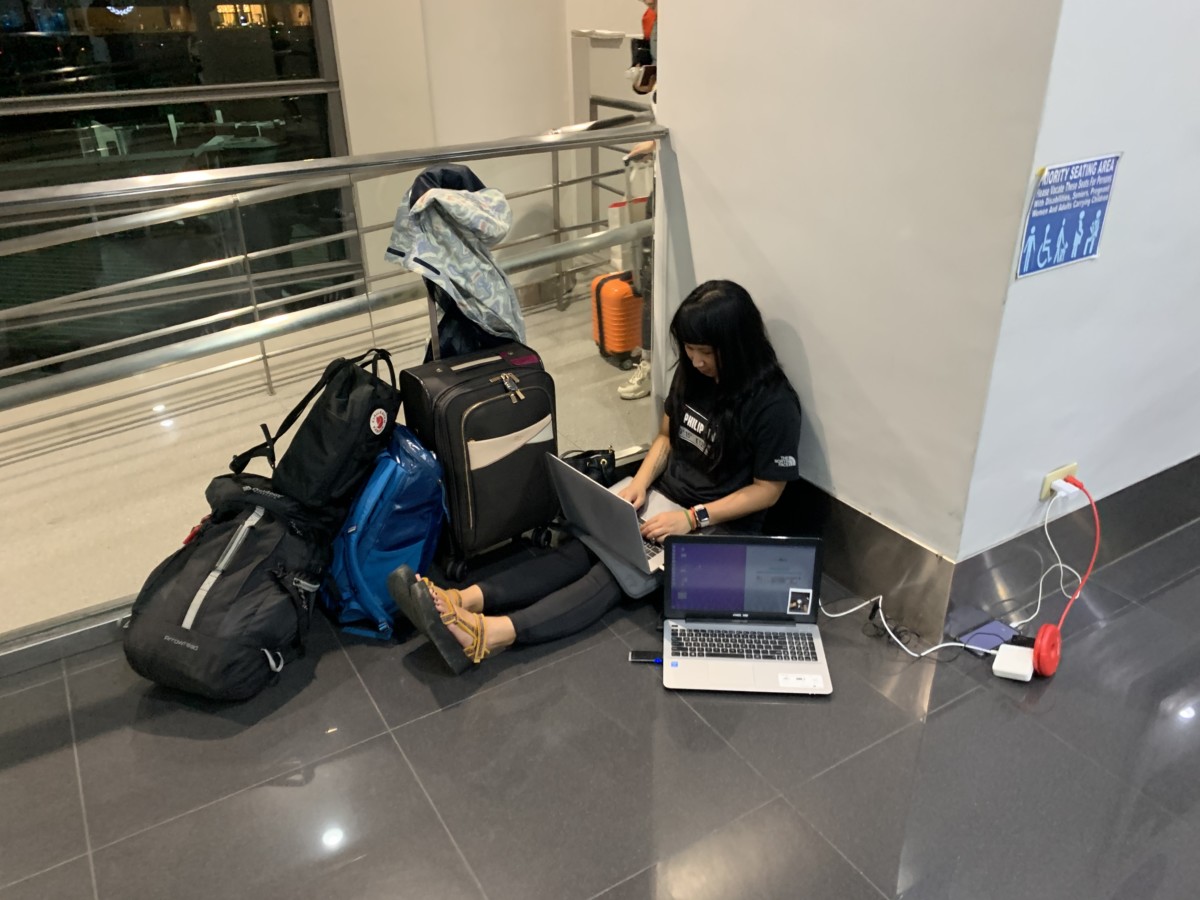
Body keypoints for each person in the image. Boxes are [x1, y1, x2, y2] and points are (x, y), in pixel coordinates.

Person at [389, 279, 803, 674]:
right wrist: (639, 483)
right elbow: (665, 437)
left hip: (718, 525)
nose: (695, 360)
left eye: (705, 352)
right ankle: (465, 598)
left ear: (737, 346)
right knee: (582, 546)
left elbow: (769, 491)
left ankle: (494, 634)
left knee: (613, 569)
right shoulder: (694, 376)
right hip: (665, 498)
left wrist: (693, 518)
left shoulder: (774, 404)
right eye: (690, 349)